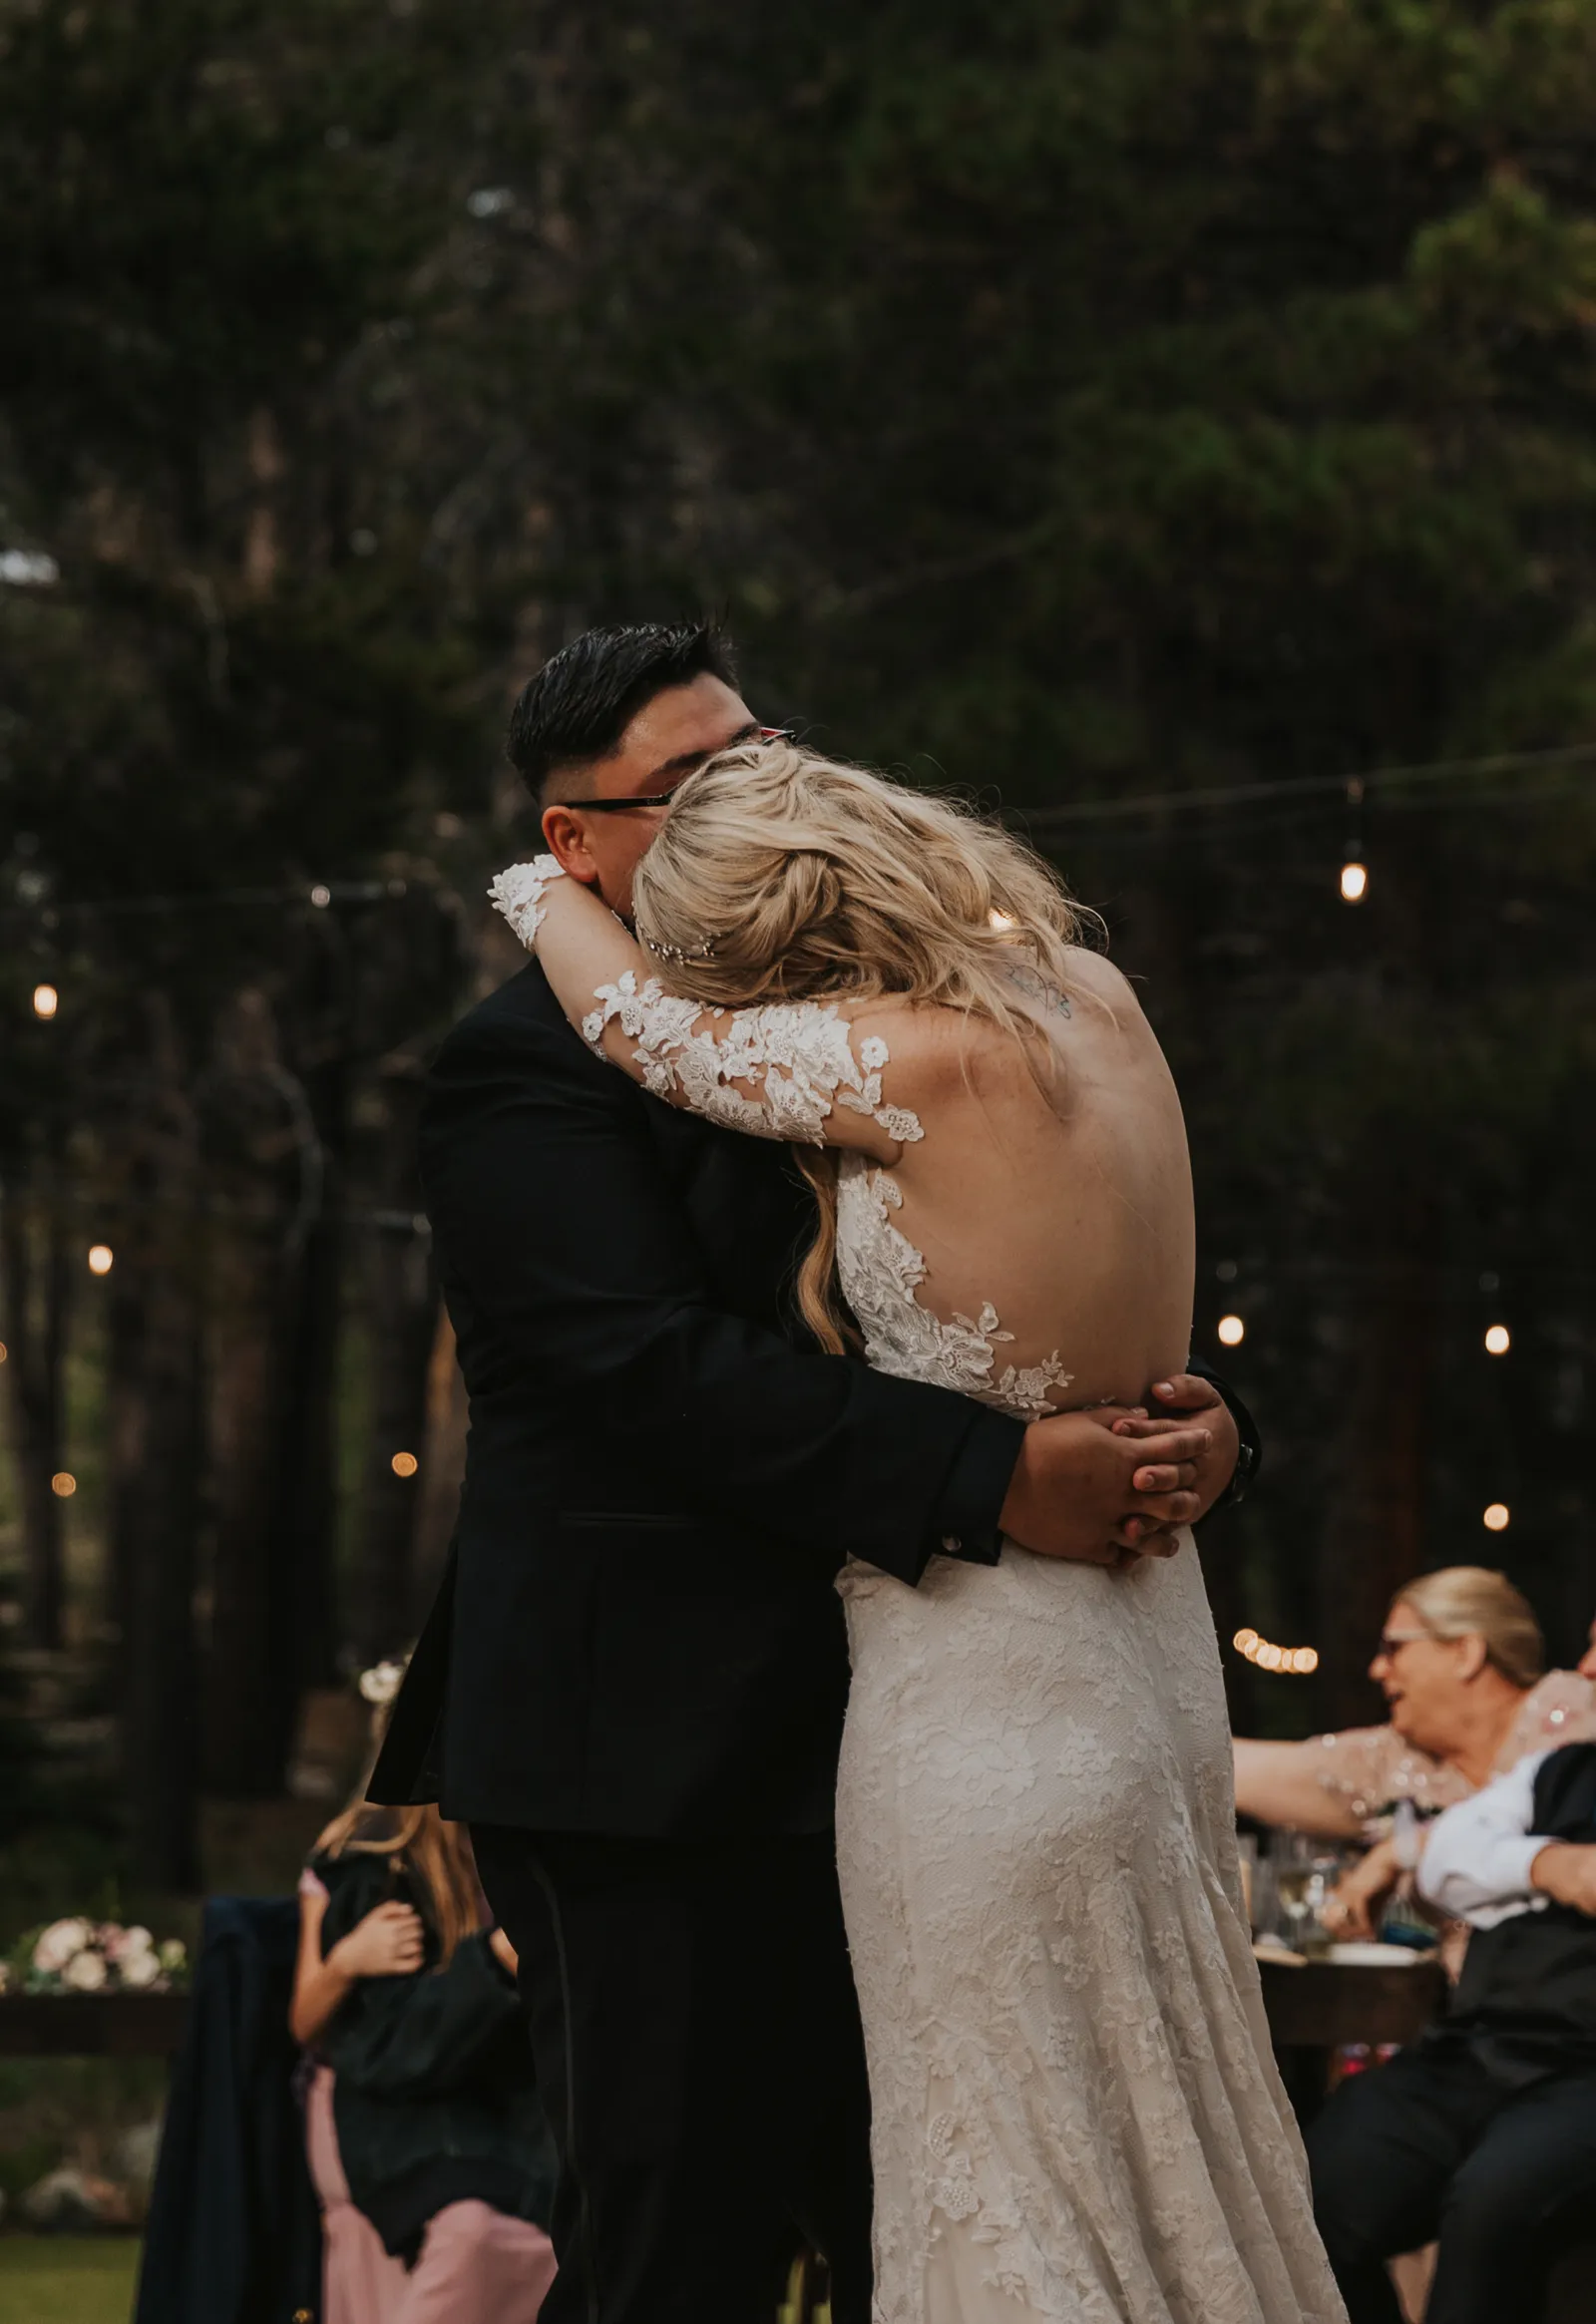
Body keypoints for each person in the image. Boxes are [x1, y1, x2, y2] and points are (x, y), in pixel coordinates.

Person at [369, 622, 1259, 2324]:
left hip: (926, 1733)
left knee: (918, 2229)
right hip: (658, 1756)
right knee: (681, 2253)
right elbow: (640, 1370)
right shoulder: (526, 1067)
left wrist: (1198, 1433)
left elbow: (1043, 1279)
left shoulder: (901, 1011)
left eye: (766, 747)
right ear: (575, 843)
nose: (760, 792)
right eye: (701, 780)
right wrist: (998, 1477)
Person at [1305, 1738, 1596, 2324]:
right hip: (1477, 2049)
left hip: (1585, 2079)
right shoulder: (1560, 1767)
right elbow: (1445, 1858)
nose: (1588, 1666)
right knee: (1306, 2191)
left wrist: (1510, 1872)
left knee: (1493, 2206)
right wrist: (1547, 1865)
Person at [292, 1790, 557, 2323]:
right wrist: (346, 1962)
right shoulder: (362, 1855)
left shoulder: (512, 1849)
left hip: (471, 2095)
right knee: (476, 2235)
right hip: (376, 2098)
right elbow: (306, 2021)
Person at [1232, 1569, 1596, 1941]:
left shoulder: (1578, 1712)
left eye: (1394, 1648)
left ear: (1465, 1653)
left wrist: (1400, 1851)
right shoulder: (1394, 1759)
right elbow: (1226, 1768)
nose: (1377, 1669)